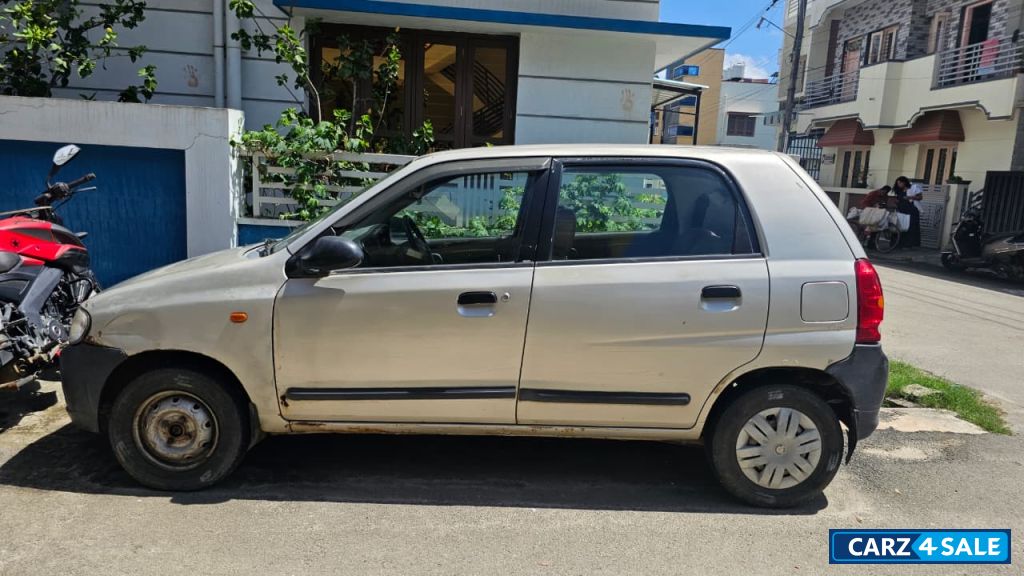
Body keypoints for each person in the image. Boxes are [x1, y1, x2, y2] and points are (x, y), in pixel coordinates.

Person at [893, 176, 921, 248]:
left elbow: (920, 197)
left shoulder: (913, 188)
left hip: (911, 210)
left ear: (904, 182)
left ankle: (909, 244)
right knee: (901, 227)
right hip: (901, 210)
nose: (899, 185)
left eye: (900, 183)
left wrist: (910, 197)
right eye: (898, 183)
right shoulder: (899, 190)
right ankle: (898, 244)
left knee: (911, 227)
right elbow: (897, 199)